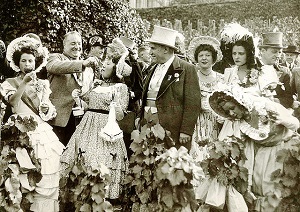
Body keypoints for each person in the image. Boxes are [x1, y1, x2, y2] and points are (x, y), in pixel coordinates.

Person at [208, 83, 299, 211]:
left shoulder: (265, 106)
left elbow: (295, 124)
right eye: (227, 111)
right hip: (259, 153)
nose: (231, 113)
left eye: (232, 108)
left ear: (240, 102)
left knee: (277, 187)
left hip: (281, 151)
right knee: (259, 188)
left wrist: (282, 120)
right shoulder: (238, 121)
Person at [60, 38, 129, 205]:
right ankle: (82, 198)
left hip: (106, 128)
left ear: (116, 68)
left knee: (102, 162)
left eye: (109, 63)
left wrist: (115, 103)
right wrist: (78, 98)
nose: (104, 65)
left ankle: (102, 200)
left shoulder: (120, 88)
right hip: (87, 126)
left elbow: (120, 116)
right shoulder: (95, 84)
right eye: (103, 62)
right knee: (83, 157)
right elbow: (87, 105)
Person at [0, 36, 65, 211]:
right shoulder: (9, 82)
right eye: (23, 61)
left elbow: (48, 112)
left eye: (30, 60)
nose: (27, 64)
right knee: (19, 171)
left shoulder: (43, 84)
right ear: (17, 63)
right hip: (18, 126)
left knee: (47, 166)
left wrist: (45, 107)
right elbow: (13, 103)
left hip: (39, 128)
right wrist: (24, 84)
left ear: (36, 63)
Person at [141, 25, 201, 151]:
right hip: (148, 126)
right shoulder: (152, 68)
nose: (150, 52)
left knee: (171, 166)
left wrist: (186, 130)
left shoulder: (186, 69)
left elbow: (193, 102)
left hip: (172, 130)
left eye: (153, 48)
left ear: (165, 49)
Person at [46, 31, 98, 146]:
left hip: (80, 120)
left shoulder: (88, 66)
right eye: (73, 43)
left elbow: (88, 91)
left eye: (79, 43)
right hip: (58, 119)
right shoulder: (55, 57)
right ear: (64, 45)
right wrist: (82, 64)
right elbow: (54, 67)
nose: (77, 47)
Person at [187, 36, 224, 144]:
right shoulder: (191, 77)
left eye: (208, 55)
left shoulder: (222, 79)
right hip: (196, 122)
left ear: (213, 58)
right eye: (201, 55)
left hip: (217, 123)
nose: (204, 58)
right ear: (196, 58)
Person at [257, 32, 293, 109]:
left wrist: (273, 101)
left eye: (279, 52)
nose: (277, 55)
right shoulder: (252, 70)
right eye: (274, 52)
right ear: (263, 51)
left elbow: (289, 99)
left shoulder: (284, 73)